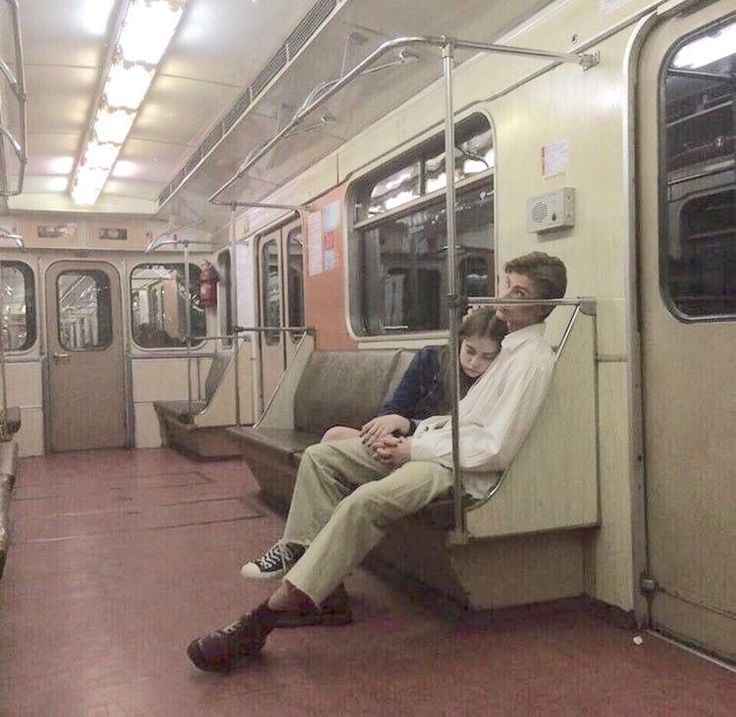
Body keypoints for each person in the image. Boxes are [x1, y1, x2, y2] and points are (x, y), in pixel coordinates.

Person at [187, 251, 567, 673]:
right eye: (505, 284)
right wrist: (413, 431)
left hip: (455, 471)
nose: (506, 297)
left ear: (543, 306)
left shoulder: (531, 362)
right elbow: (467, 420)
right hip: (435, 449)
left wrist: (414, 450)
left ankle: (260, 623)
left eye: (520, 292)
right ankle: (323, 593)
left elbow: (493, 448)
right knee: (322, 457)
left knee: (363, 502)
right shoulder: (509, 349)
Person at [241, 308, 507, 580]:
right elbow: (394, 409)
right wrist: (394, 423)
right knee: (332, 439)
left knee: (338, 458)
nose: (475, 363)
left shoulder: (497, 381)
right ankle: (309, 551)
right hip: (403, 442)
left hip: (438, 456)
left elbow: (465, 433)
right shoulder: (431, 360)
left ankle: (307, 552)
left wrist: (410, 427)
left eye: (487, 357)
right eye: (469, 351)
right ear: (458, 341)